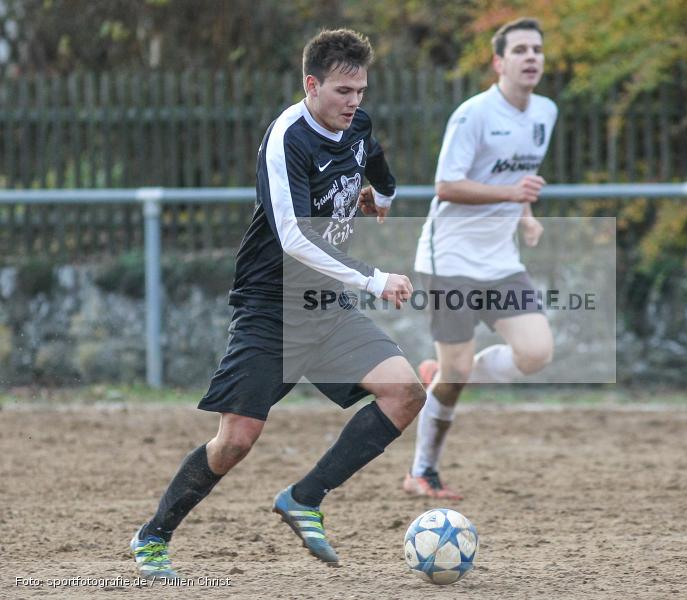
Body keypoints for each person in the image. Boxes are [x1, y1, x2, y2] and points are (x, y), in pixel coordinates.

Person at [130, 29, 424, 578]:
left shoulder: (355, 124)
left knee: (405, 392)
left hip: (326, 304)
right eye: (342, 90)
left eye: (360, 89)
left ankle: (304, 498)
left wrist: (379, 196)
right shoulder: (286, 138)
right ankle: (153, 536)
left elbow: (377, 166)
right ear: (311, 85)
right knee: (235, 442)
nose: (354, 101)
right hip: (271, 307)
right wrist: (375, 278)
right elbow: (292, 236)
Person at [402, 18, 558, 500]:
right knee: (458, 375)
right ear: (499, 62)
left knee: (536, 353)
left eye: (537, 49)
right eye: (520, 50)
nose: (531, 57)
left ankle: (443, 372)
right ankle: (422, 472)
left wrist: (524, 213)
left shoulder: (545, 112)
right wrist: (512, 194)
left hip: (499, 259)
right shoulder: (473, 115)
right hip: (449, 257)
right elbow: (446, 185)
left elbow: (519, 176)